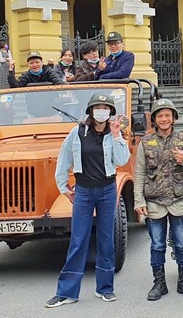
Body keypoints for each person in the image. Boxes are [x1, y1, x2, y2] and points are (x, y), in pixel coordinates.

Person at [46, 94, 130, 307]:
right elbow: (64, 160)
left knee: (106, 240)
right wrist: (63, 188)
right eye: (97, 107)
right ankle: (67, 292)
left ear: (110, 112)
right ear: (91, 110)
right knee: (78, 240)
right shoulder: (77, 132)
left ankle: (105, 288)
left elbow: (122, 160)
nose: (101, 111)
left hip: (107, 190)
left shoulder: (113, 135)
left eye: (105, 108)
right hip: (83, 191)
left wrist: (118, 135)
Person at [134, 98, 183, 301]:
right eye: (160, 115)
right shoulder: (146, 142)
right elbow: (139, 174)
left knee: (182, 244)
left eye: (167, 115)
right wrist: (139, 202)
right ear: (154, 119)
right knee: (157, 245)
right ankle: (159, 283)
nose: (164, 119)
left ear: (173, 118)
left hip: (178, 200)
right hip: (154, 202)